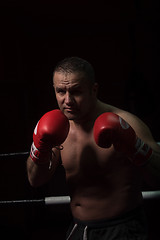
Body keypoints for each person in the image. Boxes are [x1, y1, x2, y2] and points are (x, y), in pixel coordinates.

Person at [27, 57, 160, 240]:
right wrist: (40, 148)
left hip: (123, 229)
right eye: (60, 91)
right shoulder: (56, 127)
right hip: (80, 229)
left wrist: (134, 147)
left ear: (94, 90)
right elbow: (35, 179)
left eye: (76, 91)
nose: (68, 100)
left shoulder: (127, 123)